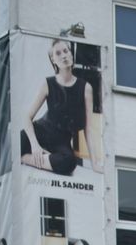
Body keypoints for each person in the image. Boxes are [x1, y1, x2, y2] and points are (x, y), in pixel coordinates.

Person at [18, 37, 102, 175]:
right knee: (16, 141)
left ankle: (24, 158)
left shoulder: (85, 88)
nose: (63, 56)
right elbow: (27, 117)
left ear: (71, 54)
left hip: (61, 142)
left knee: (69, 163)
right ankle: (36, 156)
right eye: (58, 53)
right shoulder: (48, 83)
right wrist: (35, 145)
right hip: (41, 132)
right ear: (53, 60)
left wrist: (95, 164)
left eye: (66, 51)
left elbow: (88, 129)